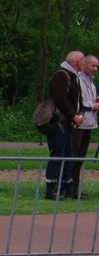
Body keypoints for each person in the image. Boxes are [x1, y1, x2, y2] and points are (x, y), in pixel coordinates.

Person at [45, 51, 84, 200]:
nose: (84, 64)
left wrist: (75, 116)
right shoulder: (61, 75)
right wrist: (73, 115)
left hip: (66, 122)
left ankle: (68, 187)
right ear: (77, 62)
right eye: (83, 61)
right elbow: (59, 98)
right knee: (57, 153)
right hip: (58, 123)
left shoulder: (73, 76)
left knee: (68, 155)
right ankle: (50, 189)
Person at [71, 54, 99, 198]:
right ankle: (70, 187)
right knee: (74, 157)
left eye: (97, 66)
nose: (95, 69)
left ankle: (74, 187)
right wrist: (94, 105)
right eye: (93, 66)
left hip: (89, 124)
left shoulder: (92, 83)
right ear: (85, 65)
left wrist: (96, 100)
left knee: (80, 158)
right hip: (79, 124)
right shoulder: (79, 80)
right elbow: (79, 102)